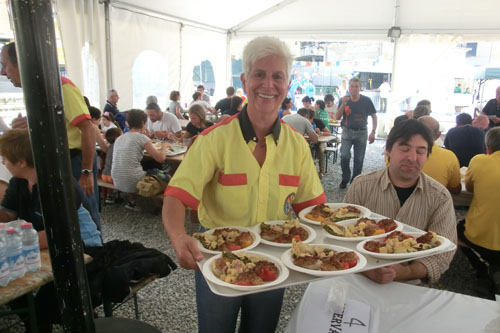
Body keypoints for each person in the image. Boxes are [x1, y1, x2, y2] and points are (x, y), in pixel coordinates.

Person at [162, 36, 326, 333]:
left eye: (277, 76)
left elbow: (314, 209)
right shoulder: (214, 139)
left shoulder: (297, 146)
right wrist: (177, 237)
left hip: (274, 260)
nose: (268, 85)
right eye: (259, 74)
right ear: (244, 80)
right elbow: (175, 196)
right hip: (218, 259)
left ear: (288, 85)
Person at [1, 42, 101, 230]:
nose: (3, 72)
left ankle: (94, 252)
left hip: (73, 160)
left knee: (82, 212)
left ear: (20, 63)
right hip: (52, 160)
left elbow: (88, 129)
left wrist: (86, 171)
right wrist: (26, 130)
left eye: (4, 65)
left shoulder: (60, 87)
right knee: (57, 217)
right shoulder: (35, 92)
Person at [344, 119, 457, 284]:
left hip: (411, 285)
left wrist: (405, 271)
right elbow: (342, 237)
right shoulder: (362, 185)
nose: (412, 158)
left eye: (420, 151)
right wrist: (369, 270)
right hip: (359, 276)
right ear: (388, 151)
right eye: (404, 149)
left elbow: (443, 252)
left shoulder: (439, 197)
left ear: (427, 155)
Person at [0, 129, 102, 247]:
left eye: (5, 159)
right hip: (45, 245)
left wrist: (11, 243)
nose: (4, 163)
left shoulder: (59, 185)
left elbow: (56, 235)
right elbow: (7, 216)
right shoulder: (18, 182)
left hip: (82, 248)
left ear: (22, 162)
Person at [459, 127, 500, 295]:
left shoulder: (480, 161)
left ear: (488, 148)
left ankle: (484, 269)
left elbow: (469, 188)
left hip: (483, 238)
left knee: (454, 231)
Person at [111, 109, 169, 211]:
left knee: (145, 165)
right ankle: (163, 205)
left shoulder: (120, 138)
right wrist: (165, 146)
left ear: (127, 123)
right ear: (143, 122)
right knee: (162, 173)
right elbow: (161, 158)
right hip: (133, 182)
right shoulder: (142, 138)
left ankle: (132, 201)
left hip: (117, 181)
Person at [335, 77, 377, 189]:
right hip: (347, 131)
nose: (354, 89)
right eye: (352, 86)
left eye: (356, 86)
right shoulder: (343, 100)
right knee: (344, 155)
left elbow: (374, 116)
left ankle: (355, 181)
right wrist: (343, 104)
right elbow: (337, 117)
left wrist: (373, 132)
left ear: (360, 88)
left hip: (362, 132)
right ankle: (345, 178)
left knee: (359, 158)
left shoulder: (366, 100)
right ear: (348, 87)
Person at [418, 116, 461, 194]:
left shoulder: (396, 153)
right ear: (438, 135)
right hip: (435, 204)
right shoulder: (449, 157)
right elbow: (455, 189)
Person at [101, 128, 122, 204]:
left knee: (110, 169)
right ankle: (132, 201)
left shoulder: (110, 146)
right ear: (117, 138)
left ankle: (109, 196)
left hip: (104, 175)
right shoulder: (119, 147)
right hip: (113, 177)